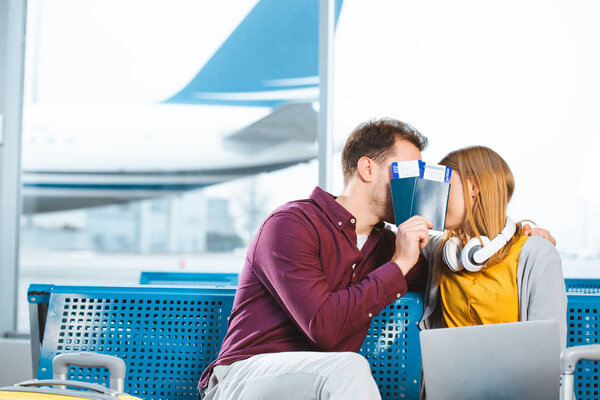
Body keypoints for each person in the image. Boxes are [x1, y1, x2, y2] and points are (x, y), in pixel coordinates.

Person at [198, 121, 555, 400]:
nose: (415, 184)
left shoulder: (389, 244)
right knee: (347, 370)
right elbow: (323, 326)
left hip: (324, 385)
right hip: (244, 378)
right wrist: (399, 265)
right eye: (406, 171)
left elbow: (467, 260)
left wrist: (519, 234)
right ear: (367, 169)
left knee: (343, 372)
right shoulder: (291, 225)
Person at [419, 145, 567, 344]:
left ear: (474, 187)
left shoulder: (536, 254)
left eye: (445, 186)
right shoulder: (443, 251)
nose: (436, 197)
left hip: (514, 375)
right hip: (449, 374)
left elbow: (548, 349)